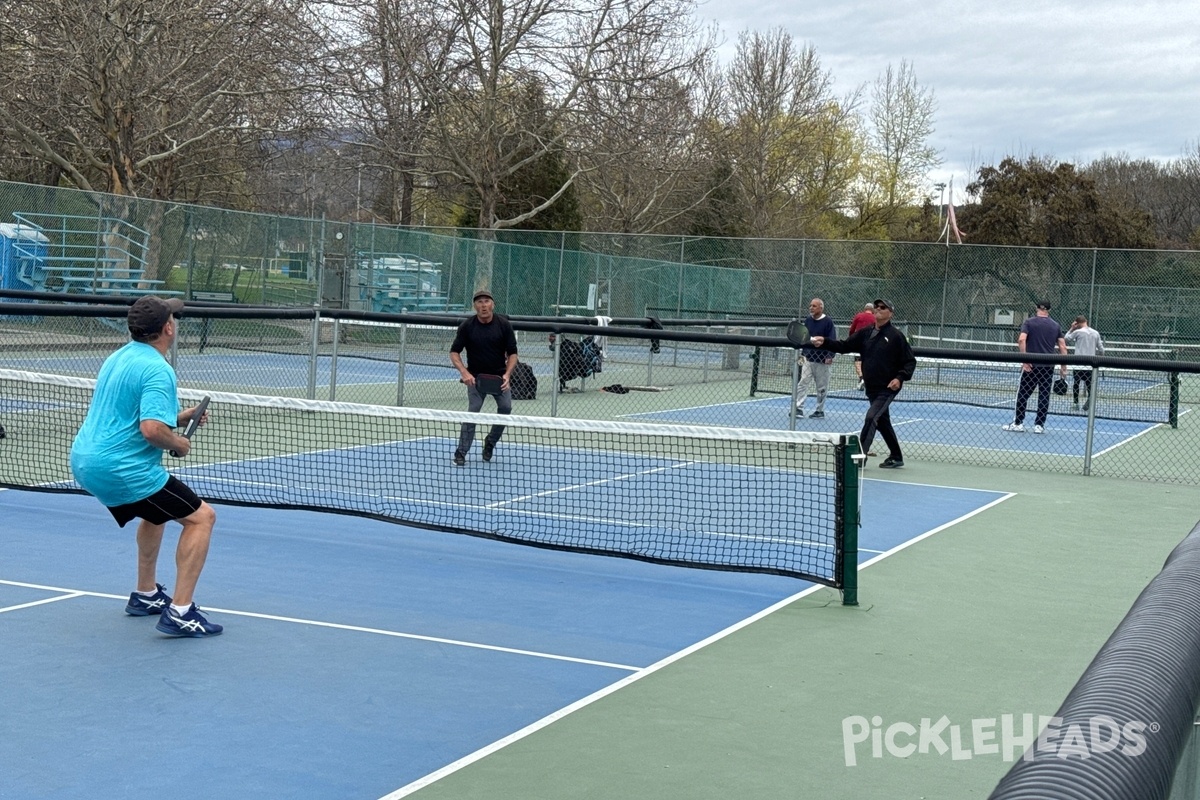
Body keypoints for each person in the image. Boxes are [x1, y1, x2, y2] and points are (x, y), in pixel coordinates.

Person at [69, 296, 221, 637]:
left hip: (86, 460)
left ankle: (146, 594)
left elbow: (133, 414)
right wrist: (179, 442)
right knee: (201, 518)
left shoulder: (119, 357)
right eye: (174, 319)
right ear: (168, 328)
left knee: (156, 512)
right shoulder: (158, 369)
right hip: (119, 467)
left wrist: (179, 418)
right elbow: (151, 430)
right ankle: (180, 612)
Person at [810, 299, 916, 468]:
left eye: (883, 308)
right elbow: (845, 346)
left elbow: (910, 362)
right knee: (882, 421)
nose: (878, 309)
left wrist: (900, 378)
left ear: (891, 313)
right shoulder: (865, 332)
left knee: (872, 417)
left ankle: (859, 456)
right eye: (876, 307)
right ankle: (896, 456)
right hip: (871, 387)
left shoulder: (896, 336)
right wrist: (825, 341)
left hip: (888, 387)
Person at [449, 289, 519, 466]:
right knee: (474, 410)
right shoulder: (467, 326)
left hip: (499, 379)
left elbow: (513, 354)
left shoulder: (504, 325)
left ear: (493, 304)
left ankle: (490, 442)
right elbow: (454, 352)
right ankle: (461, 451)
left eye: (487, 301)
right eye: (479, 302)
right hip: (476, 378)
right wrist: (464, 373)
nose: (483, 305)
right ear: (475, 306)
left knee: (505, 408)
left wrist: (507, 375)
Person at [1002, 301, 1068, 434]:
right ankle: (1039, 425)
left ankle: (1018, 423)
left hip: (1031, 366)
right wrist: (1063, 367)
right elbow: (1063, 347)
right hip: (1048, 366)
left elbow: (1021, 340)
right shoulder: (1055, 325)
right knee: (1044, 395)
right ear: (1049, 309)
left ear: (1036, 308)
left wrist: (1025, 360)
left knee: (1023, 394)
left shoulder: (1029, 322)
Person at [793, 298, 837, 419]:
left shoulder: (828, 322)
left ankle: (819, 410)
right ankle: (798, 408)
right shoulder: (808, 320)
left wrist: (830, 356)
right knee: (803, 383)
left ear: (821, 308)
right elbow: (805, 336)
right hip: (808, 358)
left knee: (821, 387)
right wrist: (803, 354)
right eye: (810, 305)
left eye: (814, 306)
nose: (811, 308)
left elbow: (832, 339)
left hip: (823, 360)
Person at [1065, 315, 1104, 412]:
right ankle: (1090, 401)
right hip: (1090, 364)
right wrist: (1100, 358)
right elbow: (1101, 349)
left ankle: (1076, 403)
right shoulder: (1095, 333)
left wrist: (1071, 328)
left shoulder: (1077, 332)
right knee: (1090, 384)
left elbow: (1066, 338)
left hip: (1078, 363)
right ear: (1086, 321)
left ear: (1077, 323)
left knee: (1076, 383)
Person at [848, 302, 876, 391]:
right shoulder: (875, 318)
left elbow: (852, 329)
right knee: (869, 362)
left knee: (857, 361)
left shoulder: (858, 316)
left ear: (865, 309)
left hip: (858, 343)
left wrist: (851, 338)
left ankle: (861, 377)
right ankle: (866, 379)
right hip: (871, 343)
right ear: (873, 310)